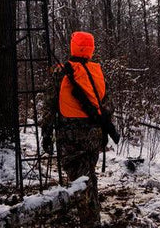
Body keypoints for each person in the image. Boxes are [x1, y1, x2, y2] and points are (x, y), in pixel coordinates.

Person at [41, 31, 113, 228]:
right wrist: (104, 131)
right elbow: (106, 105)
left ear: (73, 46)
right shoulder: (97, 72)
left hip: (70, 136)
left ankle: (90, 221)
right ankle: (92, 215)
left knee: (80, 181)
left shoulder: (61, 72)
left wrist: (46, 132)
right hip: (94, 134)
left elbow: (49, 104)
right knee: (89, 174)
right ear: (91, 49)